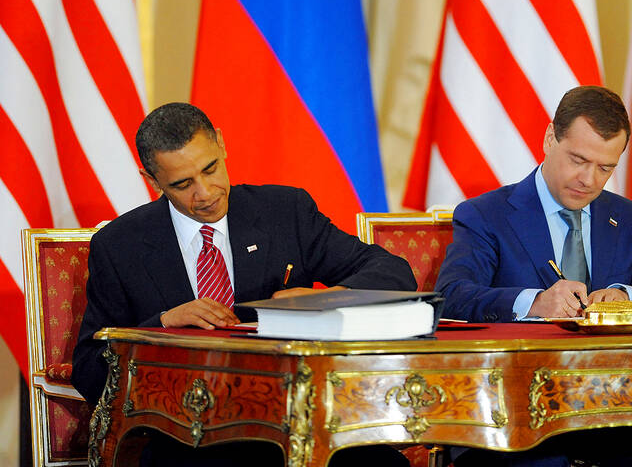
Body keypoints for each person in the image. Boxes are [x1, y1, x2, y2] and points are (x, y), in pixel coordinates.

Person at [73, 102, 416, 466]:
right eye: (183, 184)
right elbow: (90, 370)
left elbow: (393, 273)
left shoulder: (285, 212)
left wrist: (327, 299)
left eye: (210, 169)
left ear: (221, 143)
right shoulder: (119, 246)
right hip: (187, 438)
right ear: (152, 180)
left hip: (296, 423)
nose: (205, 193)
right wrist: (161, 324)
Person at [434, 86, 632, 466]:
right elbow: (452, 296)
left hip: (611, 408)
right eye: (578, 160)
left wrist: (625, 298)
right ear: (550, 138)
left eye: (605, 168)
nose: (589, 180)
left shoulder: (627, 218)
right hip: (512, 409)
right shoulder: (486, 214)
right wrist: (534, 303)